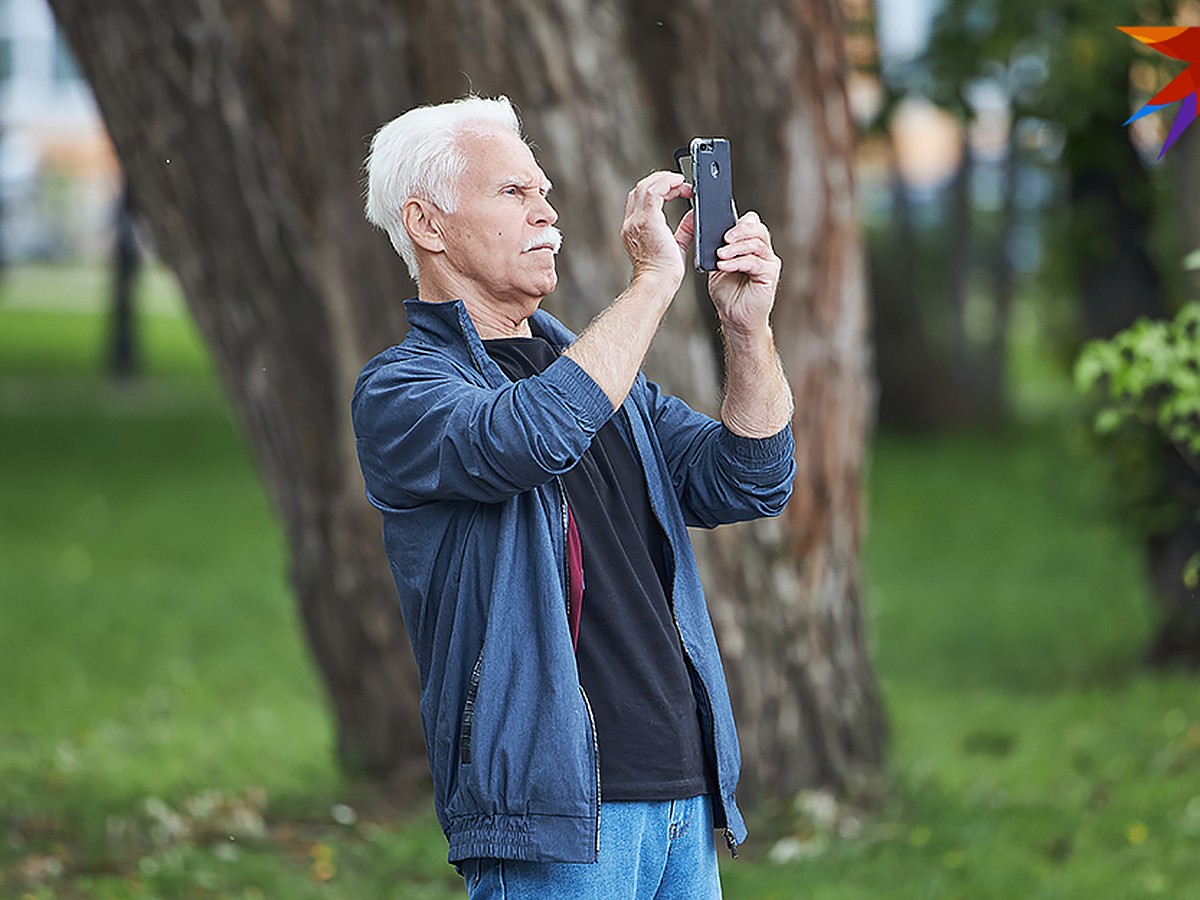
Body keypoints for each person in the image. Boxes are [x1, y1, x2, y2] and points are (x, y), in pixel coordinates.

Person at [352, 95, 795, 900]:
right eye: (514, 194)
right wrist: (658, 281)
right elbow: (529, 438)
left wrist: (747, 330)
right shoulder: (403, 391)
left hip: (682, 798)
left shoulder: (598, 377)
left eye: (545, 192)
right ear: (427, 224)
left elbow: (751, 479)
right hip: (553, 815)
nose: (547, 212)